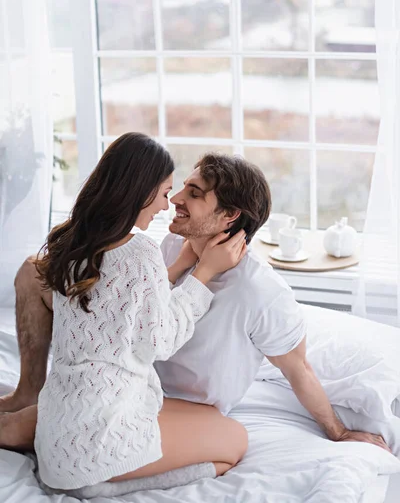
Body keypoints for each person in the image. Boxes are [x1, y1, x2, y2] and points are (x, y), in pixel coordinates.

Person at [0, 151, 389, 467]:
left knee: (234, 442)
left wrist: (337, 431)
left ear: (230, 215)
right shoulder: (169, 249)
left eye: (194, 193)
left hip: (179, 405)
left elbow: (298, 368)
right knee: (33, 274)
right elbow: (134, 312)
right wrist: (186, 269)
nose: (175, 200)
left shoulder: (261, 291)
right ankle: (28, 391)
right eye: (182, 186)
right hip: (126, 386)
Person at [0, 133, 248, 492]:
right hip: (96, 445)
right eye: (164, 193)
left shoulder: (72, 242)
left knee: (209, 421)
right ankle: (101, 487)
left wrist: (179, 266)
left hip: (58, 433)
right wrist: (204, 275)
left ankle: (84, 476)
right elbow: (159, 341)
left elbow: (121, 305)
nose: (167, 205)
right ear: (141, 190)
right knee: (236, 441)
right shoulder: (140, 255)